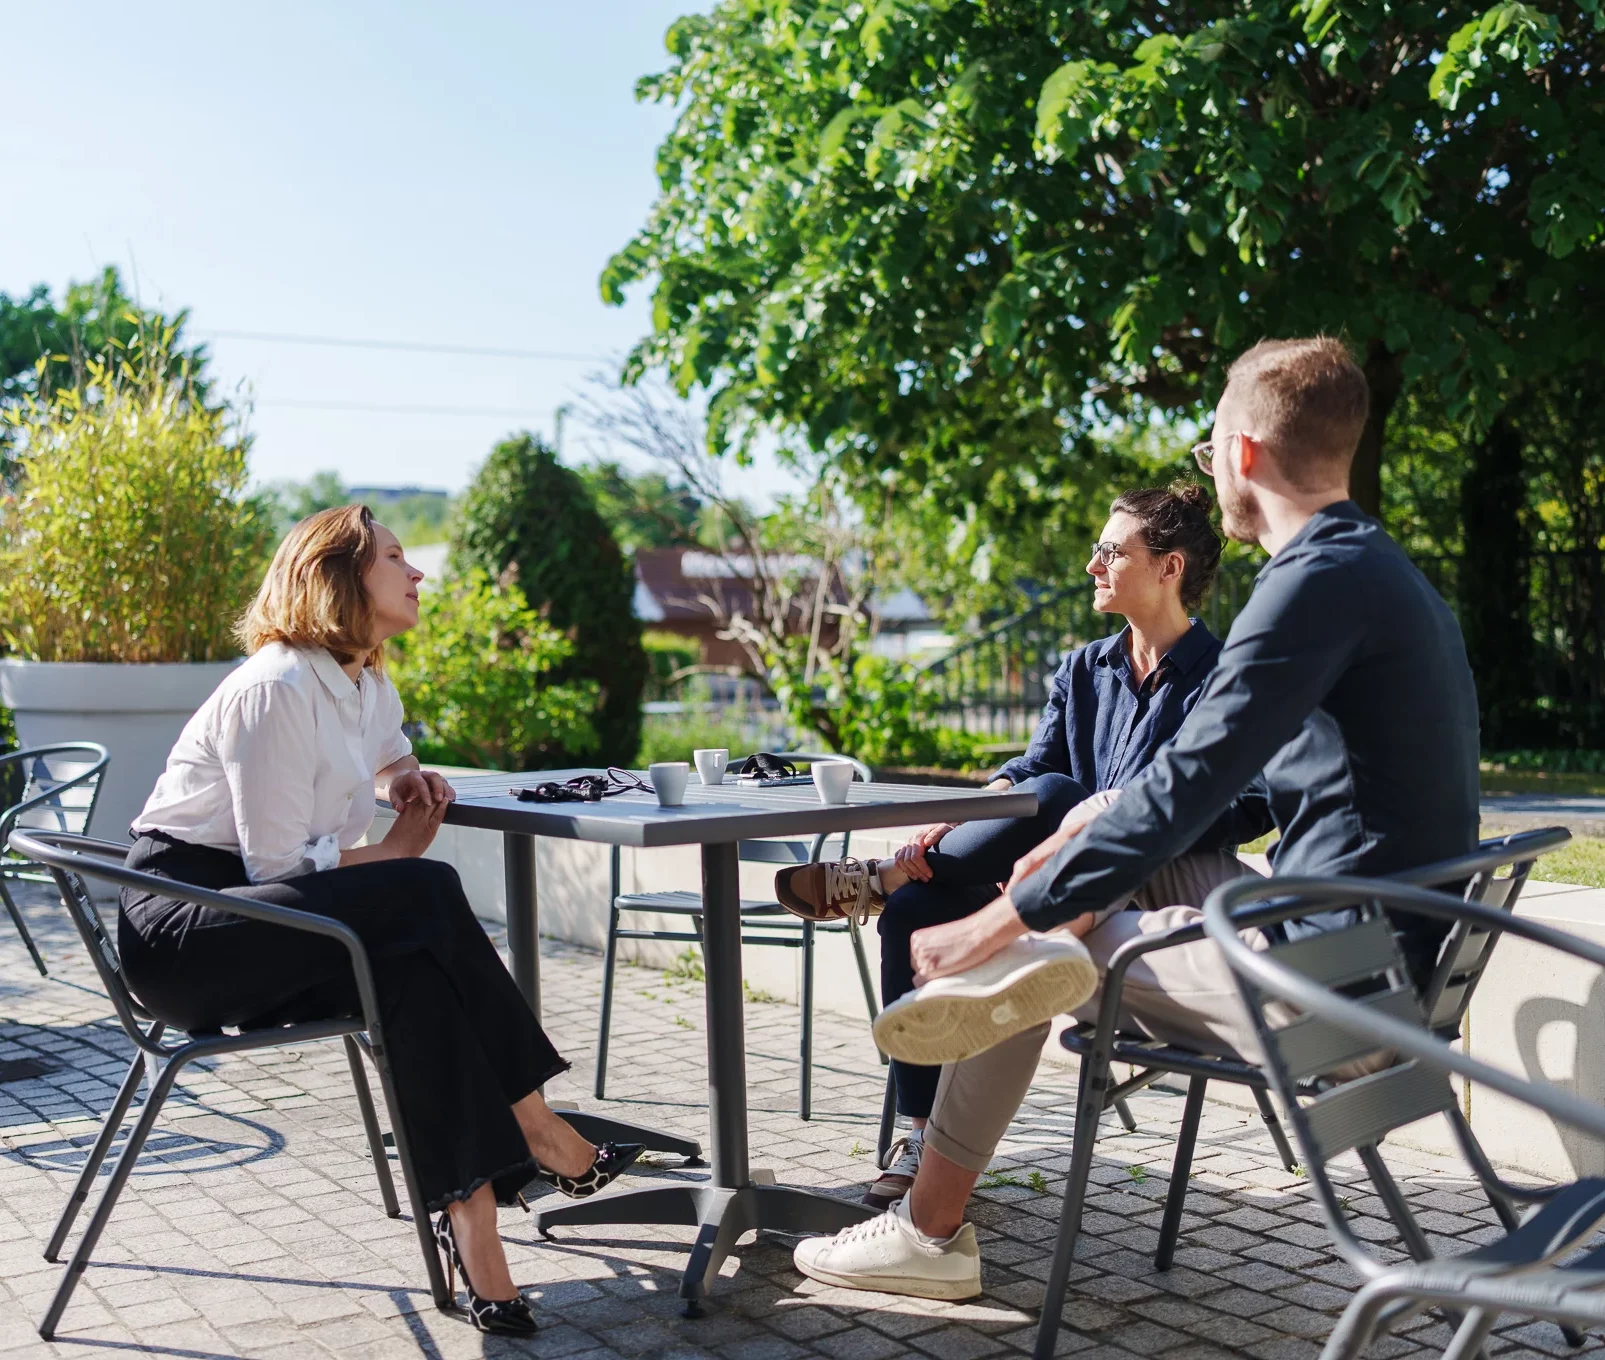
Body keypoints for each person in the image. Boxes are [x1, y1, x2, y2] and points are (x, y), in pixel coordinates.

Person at [792, 336, 1480, 1301]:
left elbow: (1190, 784)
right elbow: (1164, 797)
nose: (1211, 468)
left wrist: (1000, 920)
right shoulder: (1378, 571)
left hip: (1336, 994)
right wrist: (1074, 843)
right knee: (1093, 822)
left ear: (1241, 452)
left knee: (1029, 957)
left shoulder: (1311, 584)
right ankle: (934, 1169)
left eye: (1209, 450)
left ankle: (928, 1230)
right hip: (1360, 947)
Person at [122, 506, 641, 1336]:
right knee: (423, 890)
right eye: (396, 558)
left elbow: (387, 750)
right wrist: (395, 850)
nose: (417, 572)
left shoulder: (363, 680)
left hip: (266, 922)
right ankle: (539, 1126)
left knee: (410, 973)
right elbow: (274, 867)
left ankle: (476, 1237)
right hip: (191, 934)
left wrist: (402, 778)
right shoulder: (276, 688)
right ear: (337, 579)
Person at [775, 482, 1229, 1208]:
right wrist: (967, 819)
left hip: (1134, 891)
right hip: (1036, 881)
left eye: (1110, 552)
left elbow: (1250, 803)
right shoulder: (1083, 668)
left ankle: (878, 878)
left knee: (1067, 798)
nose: (1092, 565)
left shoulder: (1224, 678)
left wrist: (1124, 813)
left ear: (1168, 567)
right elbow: (1027, 770)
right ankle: (919, 1133)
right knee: (916, 909)